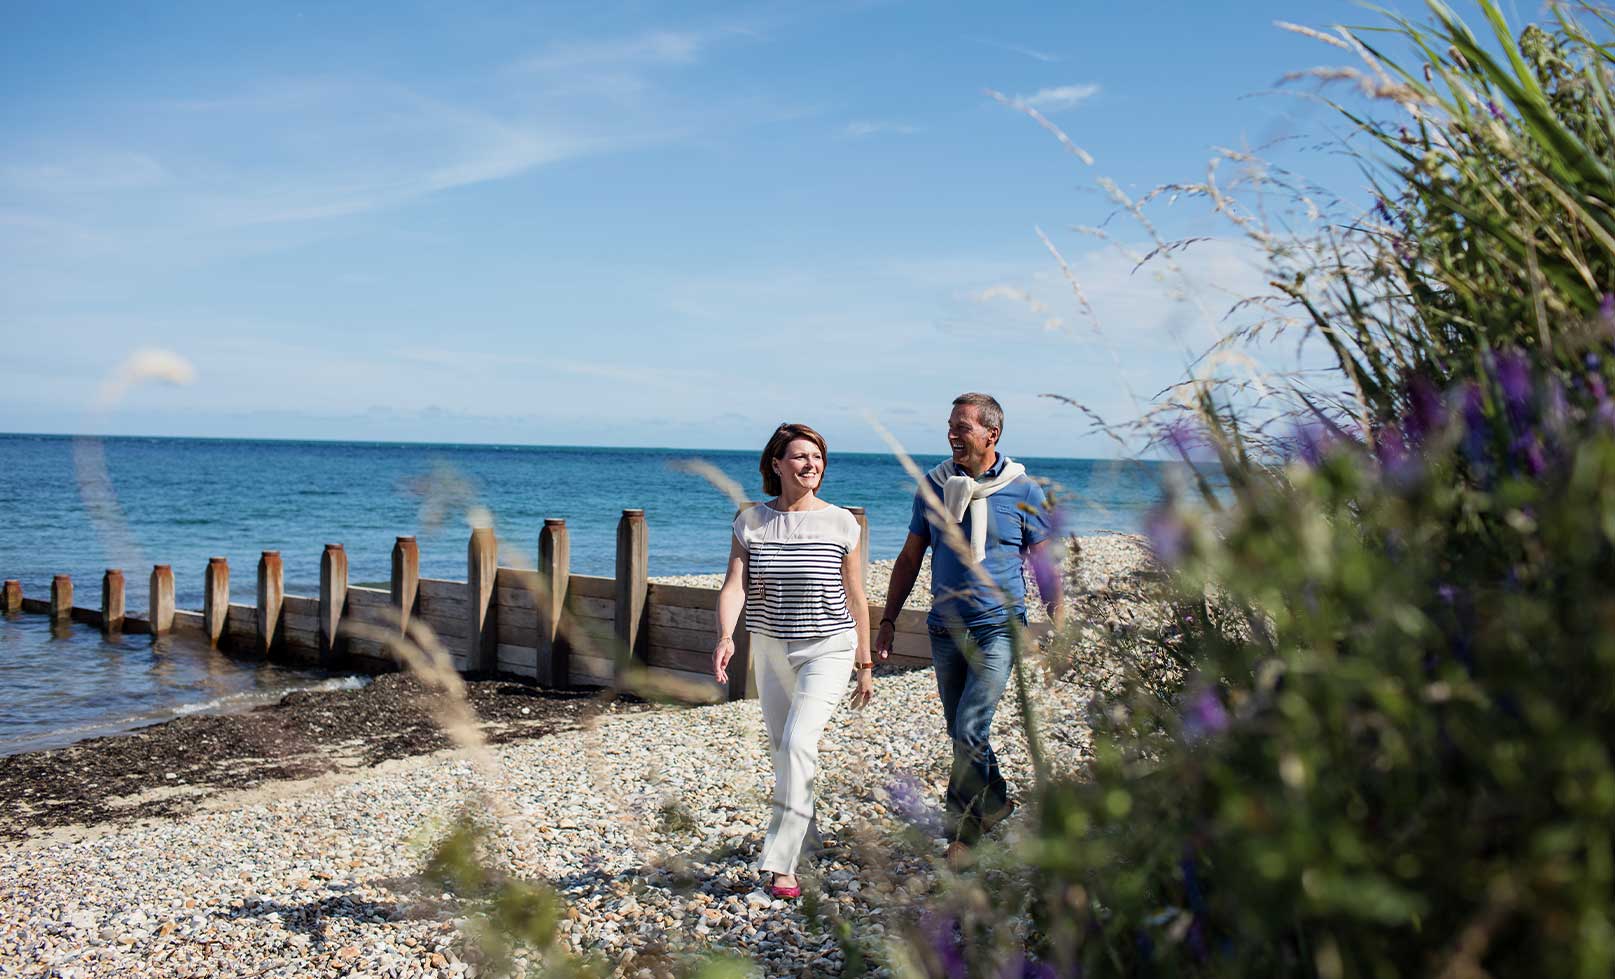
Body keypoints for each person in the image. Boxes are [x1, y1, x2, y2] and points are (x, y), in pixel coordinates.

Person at [873, 392, 1064, 866]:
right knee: (959, 730)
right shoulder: (933, 486)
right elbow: (910, 557)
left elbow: (1043, 563)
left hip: (999, 627)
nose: (952, 434)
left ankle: (964, 831)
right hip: (945, 628)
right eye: (951, 426)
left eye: (962, 426)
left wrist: (1061, 622)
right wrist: (889, 619)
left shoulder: (1024, 490)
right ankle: (996, 801)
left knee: (970, 726)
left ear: (990, 434)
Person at [714, 423, 875, 899]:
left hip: (828, 646)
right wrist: (726, 635)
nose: (811, 465)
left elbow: (856, 596)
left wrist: (865, 664)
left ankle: (782, 864)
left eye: (818, 458)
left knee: (799, 743)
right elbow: (734, 586)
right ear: (777, 465)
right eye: (801, 457)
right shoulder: (751, 522)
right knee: (783, 749)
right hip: (770, 646)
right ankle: (808, 830)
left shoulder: (842, 522)